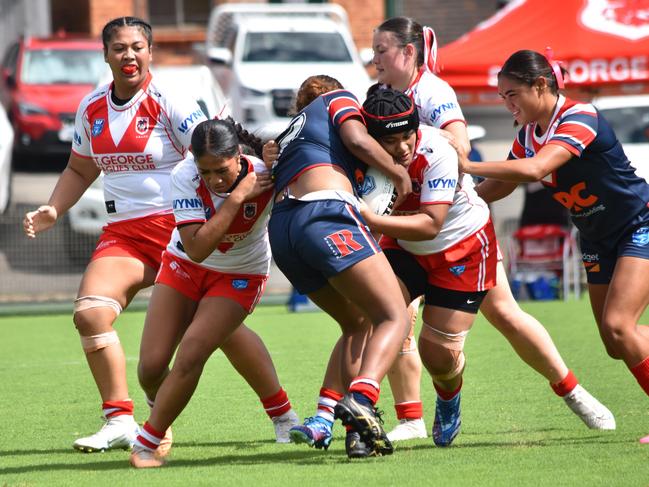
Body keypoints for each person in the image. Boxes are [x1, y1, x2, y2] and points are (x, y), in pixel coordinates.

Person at [22, 17, 297, 453]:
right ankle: (121, 419)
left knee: (219, 331)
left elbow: (214, 152)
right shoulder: (91, 108)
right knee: (91, 313)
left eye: (137, 47)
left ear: (149, 52)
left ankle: (282, 414)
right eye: (119, 48)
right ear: (106, 54)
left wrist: (256, 164)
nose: (128, 56)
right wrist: (55, 208)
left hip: (179, 230)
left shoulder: (171, 100)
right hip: (124, 236)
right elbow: (80, 167)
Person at [369, 17, 614, 441]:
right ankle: (407, 417)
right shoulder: (384, 97)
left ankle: (573, 392)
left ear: (408, 53)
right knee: (387, 315)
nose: (374, 61)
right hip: (410, 230)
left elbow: (459, 148)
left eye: (381, 51)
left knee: (502, 316)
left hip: (456, 228)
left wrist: (433, 176)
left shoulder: (431, 92)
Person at [456, 49, 649, 443]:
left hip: (637, 225)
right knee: (616, 343)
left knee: (619, 326)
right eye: (502, 97)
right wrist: (456, 202)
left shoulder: (581, 117)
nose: (507, 104)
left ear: (540, 85)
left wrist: (467, 163)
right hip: (595, 236)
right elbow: (504, 184)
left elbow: (535, 170)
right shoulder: (528, 133)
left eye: (512, 94)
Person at [130, 119, 289, 467]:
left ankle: (147, 441)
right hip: (185, 264)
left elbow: (302, 137)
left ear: (237, 155)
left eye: (222, 170)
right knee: (151, 368)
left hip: (239, 274)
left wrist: (275, 150)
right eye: (206, 172)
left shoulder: (266, 172)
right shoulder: (184, 176)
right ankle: (283, 415)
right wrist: (238, 196)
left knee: (191, 352)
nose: (214, 179)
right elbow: (197, 248)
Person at [267, 74, 411, 458]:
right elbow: (358, 140)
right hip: (324, 212)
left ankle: (345, 427)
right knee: (395, 315)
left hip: (282, 230)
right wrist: (399, 172)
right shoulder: (339, 101)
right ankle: (363, 398)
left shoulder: (290, 135)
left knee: (357, 323)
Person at [360, 87, 498, 446]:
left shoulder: (438, 149)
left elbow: (431, 223)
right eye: (391, 140)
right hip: (403, 246)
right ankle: (359, 408)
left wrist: (368, 220)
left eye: (408, 135)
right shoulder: (357, 149)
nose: (404, 147)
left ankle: (449, 398)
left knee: (438, 356)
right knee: (380, 318)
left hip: (462, 247)